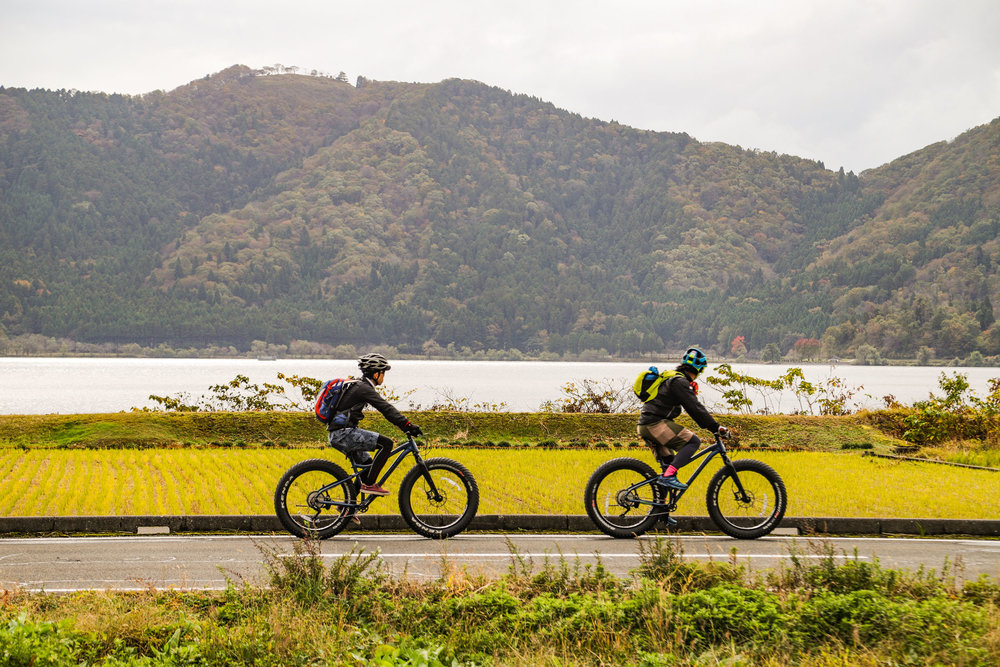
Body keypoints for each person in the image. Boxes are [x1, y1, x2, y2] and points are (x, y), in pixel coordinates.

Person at [326, 353, 422, 496]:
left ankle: (347, 509)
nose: (384, 376)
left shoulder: (359, 385)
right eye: (383, 373)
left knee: (367, 468)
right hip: (343, 434)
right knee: (387, 444)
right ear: (376, 373)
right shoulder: (364, 388)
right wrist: (407, 425)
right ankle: (370, 485)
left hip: (340, 433)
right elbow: (386, 408)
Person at [636, 348, 729, 494]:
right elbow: (695, 408)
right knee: (693, 442)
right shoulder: (679, 382)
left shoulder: (673, 378)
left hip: (647, 424)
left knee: (668, 464)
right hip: (654, 424)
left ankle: (661, 514)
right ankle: (669, 476)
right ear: (699, 369)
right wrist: (715, 427)